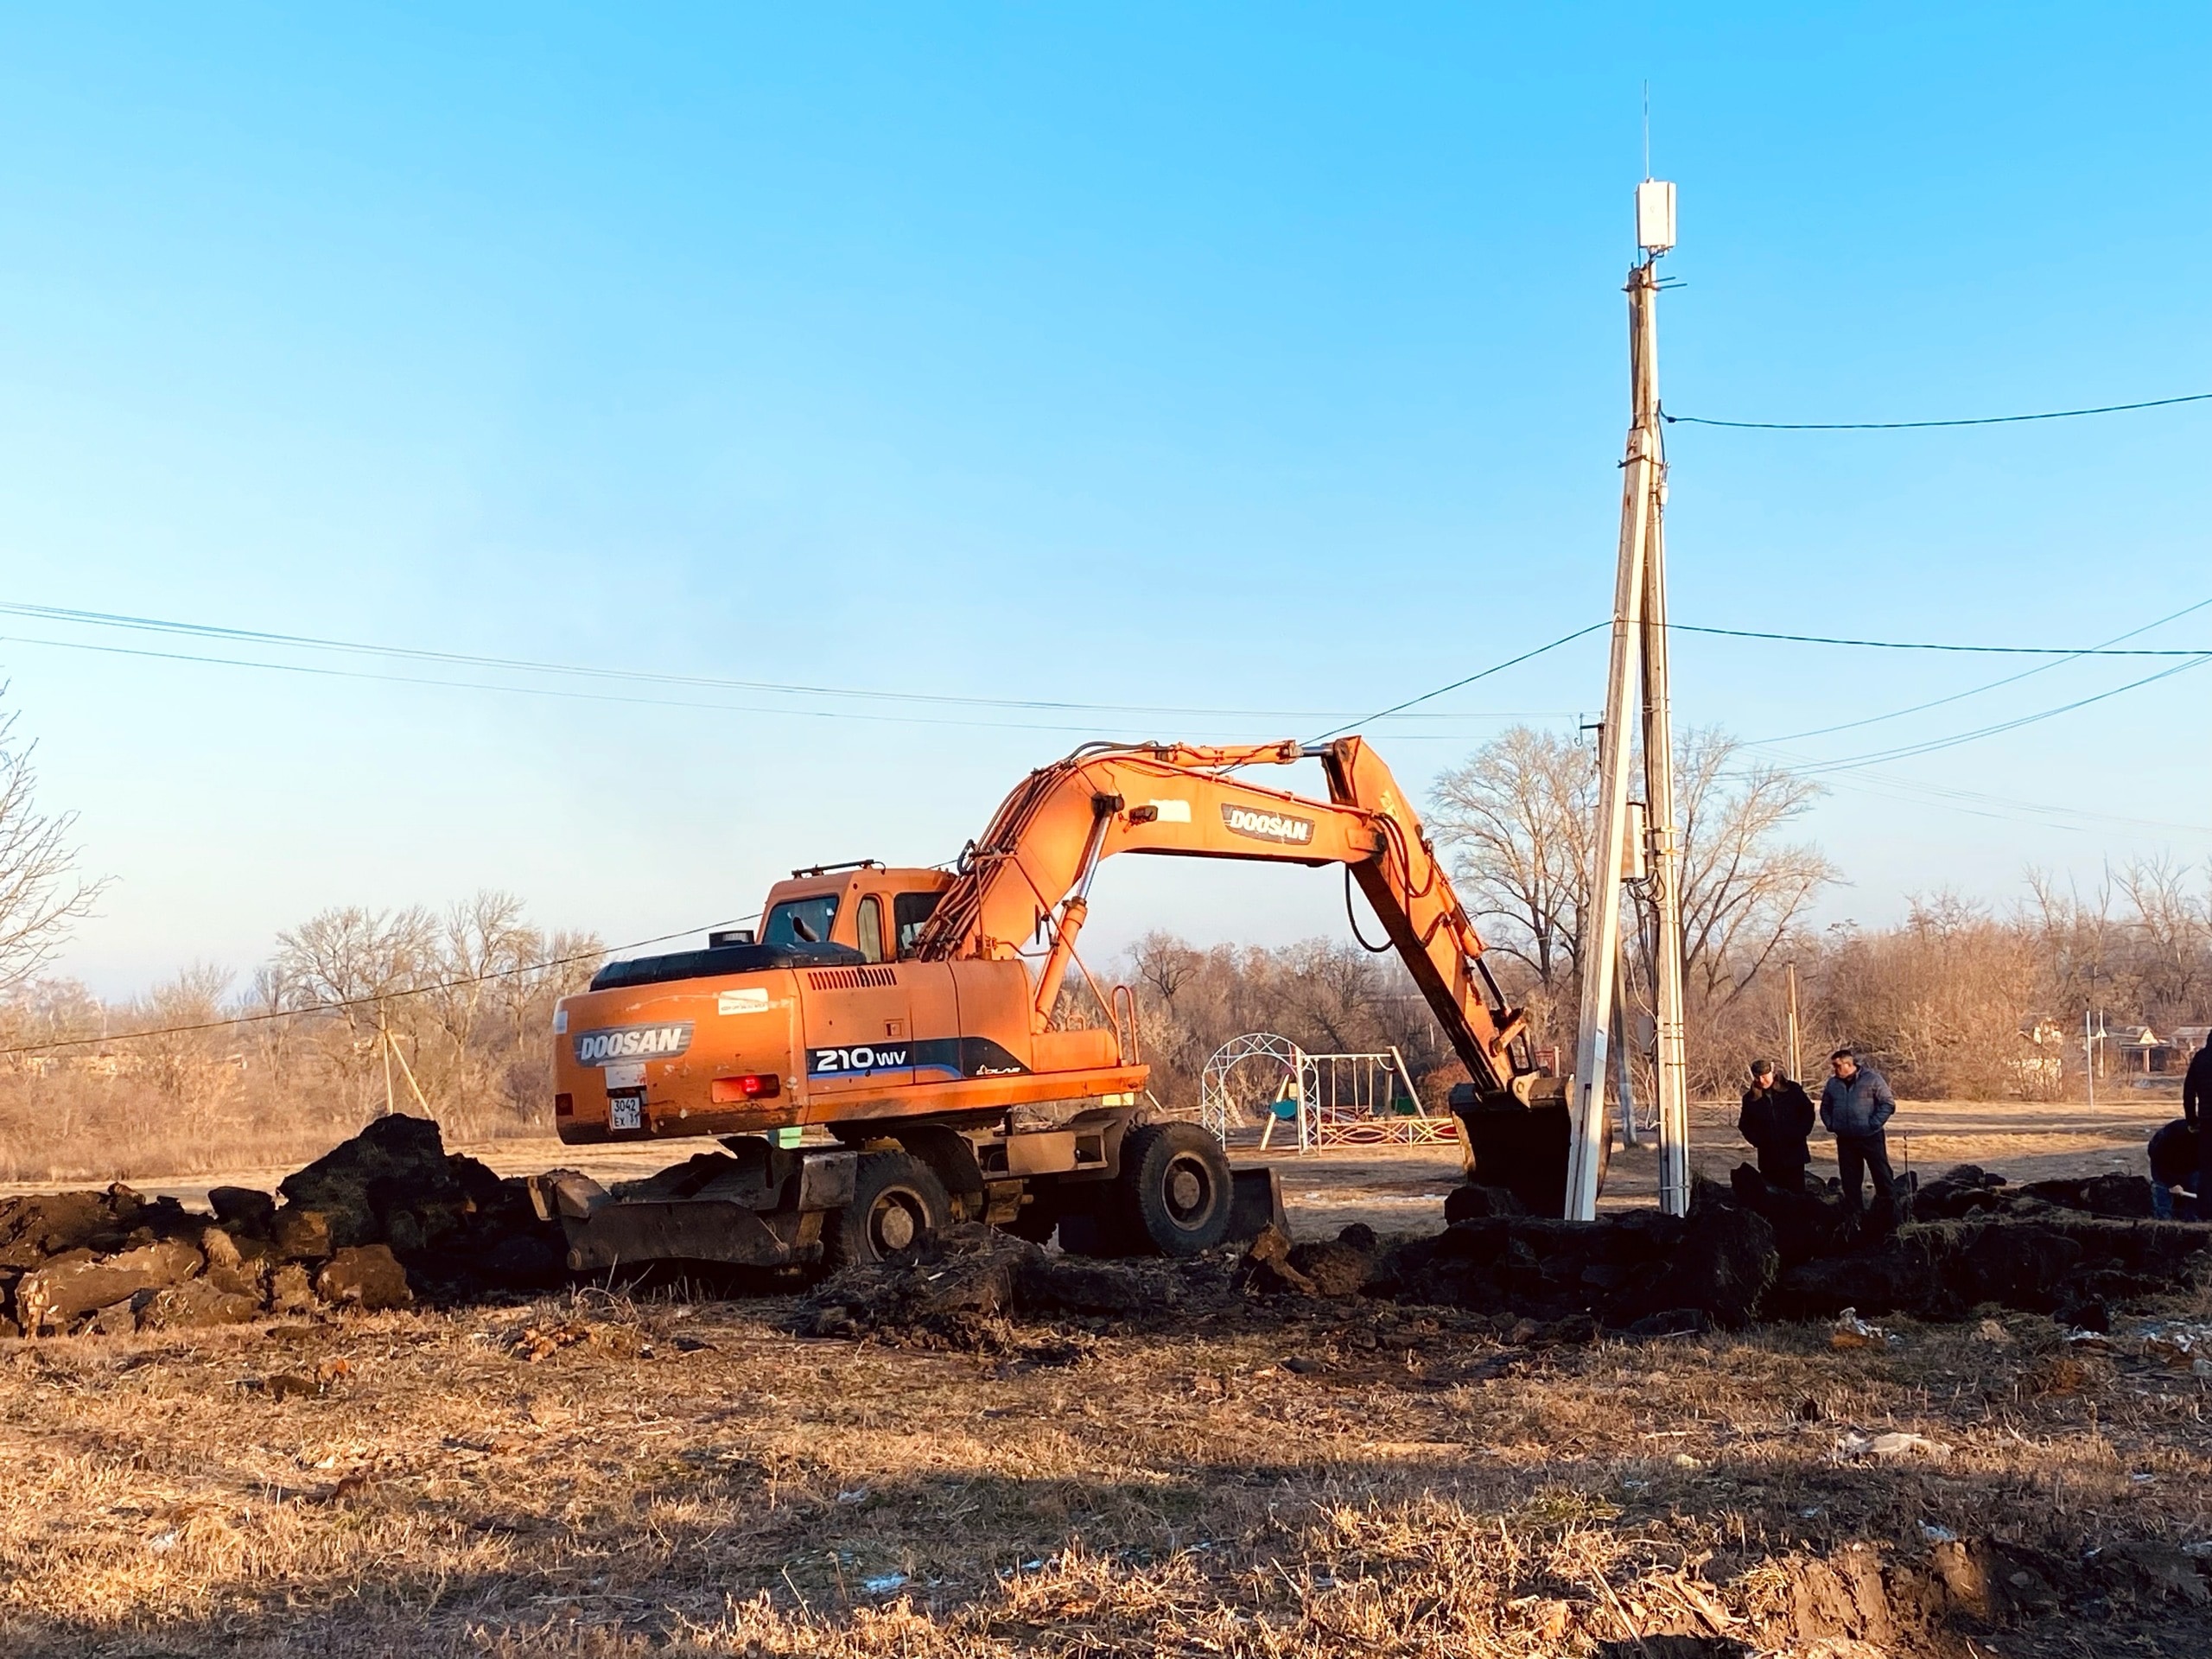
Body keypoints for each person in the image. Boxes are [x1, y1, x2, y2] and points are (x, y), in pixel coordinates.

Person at [1820, 1046, 1897, 1231]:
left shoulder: (1872, 1079)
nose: (1834, 1070)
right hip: (1845, 1139)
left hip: (1871, 1138)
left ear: (1848, 1064)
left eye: (1837, 1066)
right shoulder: (1832, 1084)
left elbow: (1888, 1103)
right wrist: (1831, 1124)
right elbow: (1825, 1106)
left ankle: (1890, 1217)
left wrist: (1873, 1123)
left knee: (1882, 1176)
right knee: (1850, 1181)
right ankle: (1855, 1220)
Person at [1738, 1058, 1816, 1192]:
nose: (1761, 1081)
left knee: (1797, 1197)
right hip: (1768, 1158)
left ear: (1772, 1073)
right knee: (1773, 1198)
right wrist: (1758, 1141)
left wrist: (1799, 1133)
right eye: (1757, 1077)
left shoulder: (1792, 1090)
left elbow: (1807, 1112)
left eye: (1764, 1076)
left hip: (1794, 1155)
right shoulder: (1750, 1098)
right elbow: (1745, 1124)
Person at [2146, 1117, 2201, 1222]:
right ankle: (2164, 1225)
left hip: (2193, 1167)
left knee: (2196, 1190)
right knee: (2163, 1194)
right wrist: (2171, 1183)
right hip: (2165, 1165)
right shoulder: (2174, 1135)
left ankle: (2193, 1224)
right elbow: (2159, 1161)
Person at [2186, 1030, 2212, 1218]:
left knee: (2206, 1170)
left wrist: (2192, 1120)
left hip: (2207, 1121)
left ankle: (2205, 1215)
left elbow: (2188, 1092)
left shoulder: (2200, 1059)